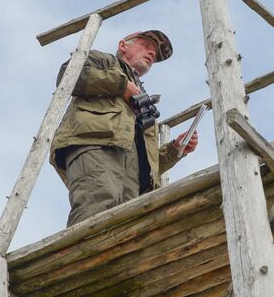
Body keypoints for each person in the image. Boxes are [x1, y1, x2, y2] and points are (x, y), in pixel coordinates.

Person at [49, 30, 199, 226]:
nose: (151, 54)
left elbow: (147, 164)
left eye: (155, 55)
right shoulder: (104, 61)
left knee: (130, 222)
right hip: (95, 145)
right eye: (146, 46)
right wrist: (121, 85)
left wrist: (175, 149)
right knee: (99, 203)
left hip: (131, 177)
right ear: (123, 46)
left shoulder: (144, 102)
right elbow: (69, 77)